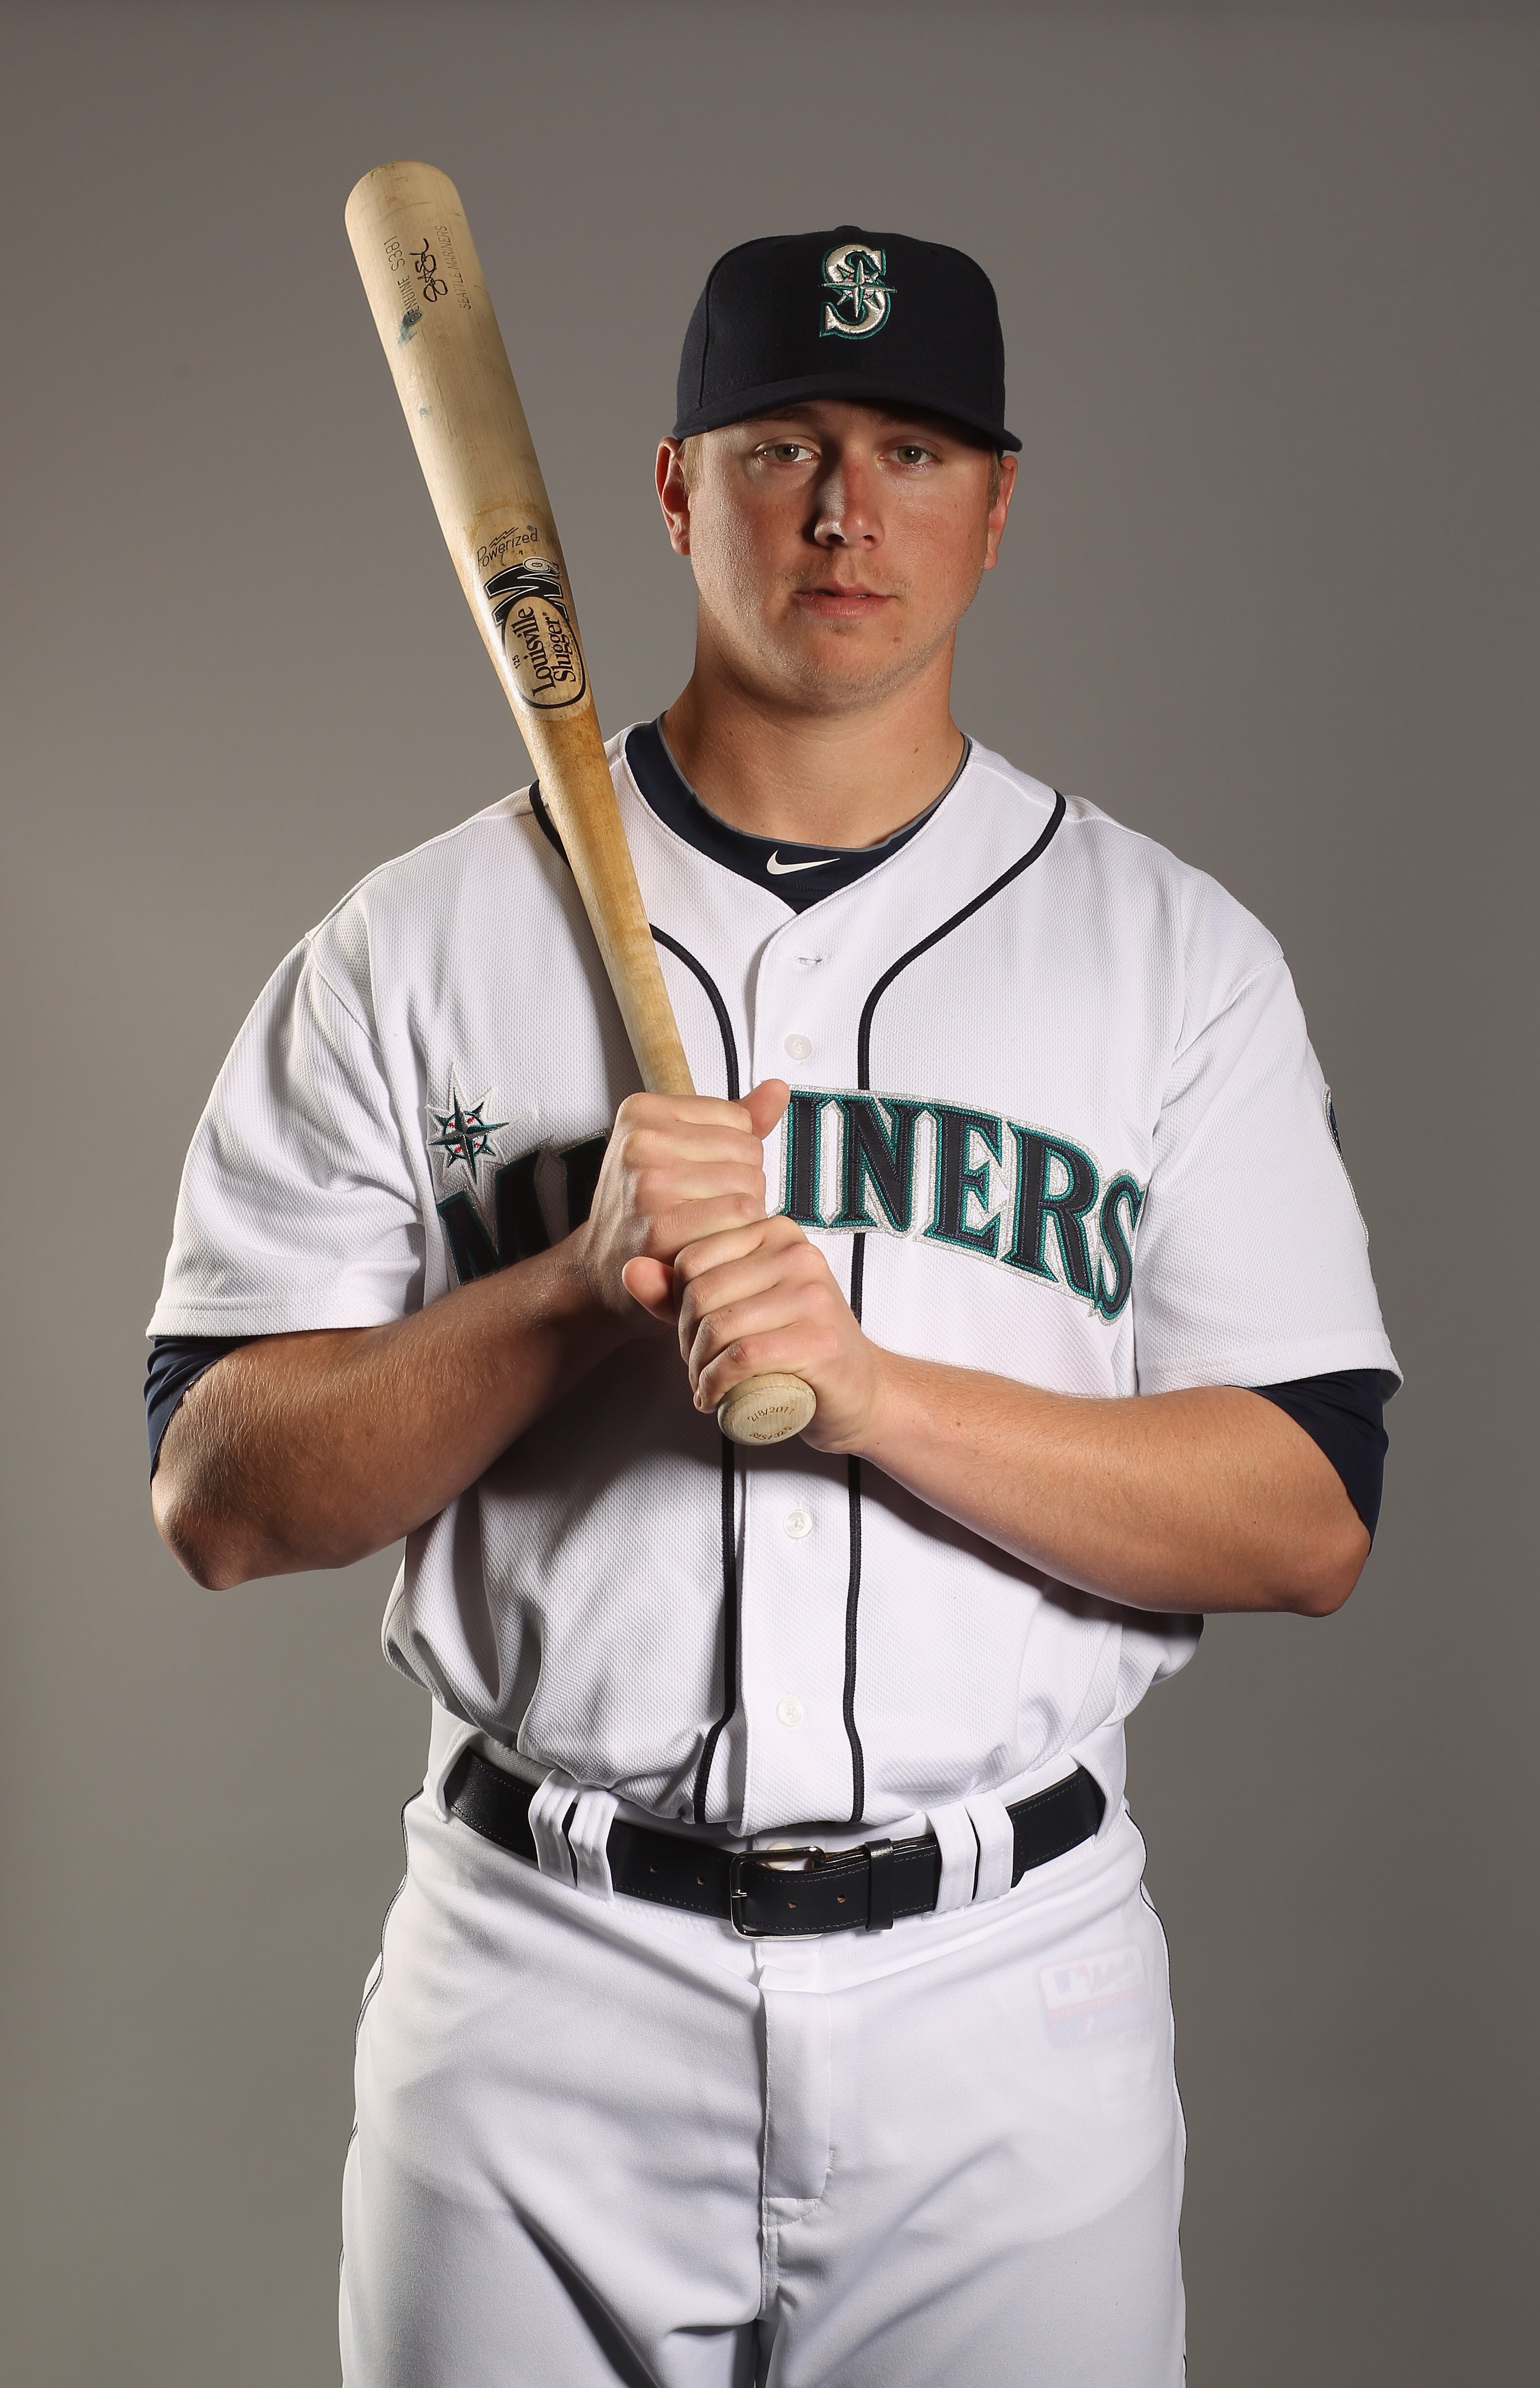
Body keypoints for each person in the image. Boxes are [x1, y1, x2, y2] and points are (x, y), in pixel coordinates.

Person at [147, 227, 1397, 2386]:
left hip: (1011, 2007)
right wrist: (565, 1293)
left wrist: (875, 1393)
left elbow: (1307, 1516)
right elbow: (220, 1494)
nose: (845, 509)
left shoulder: (1172, 959)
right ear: (668, 490)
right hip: (540, 1981)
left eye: (912, 453)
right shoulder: (415, 942)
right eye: (784, 448)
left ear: (997, 507)